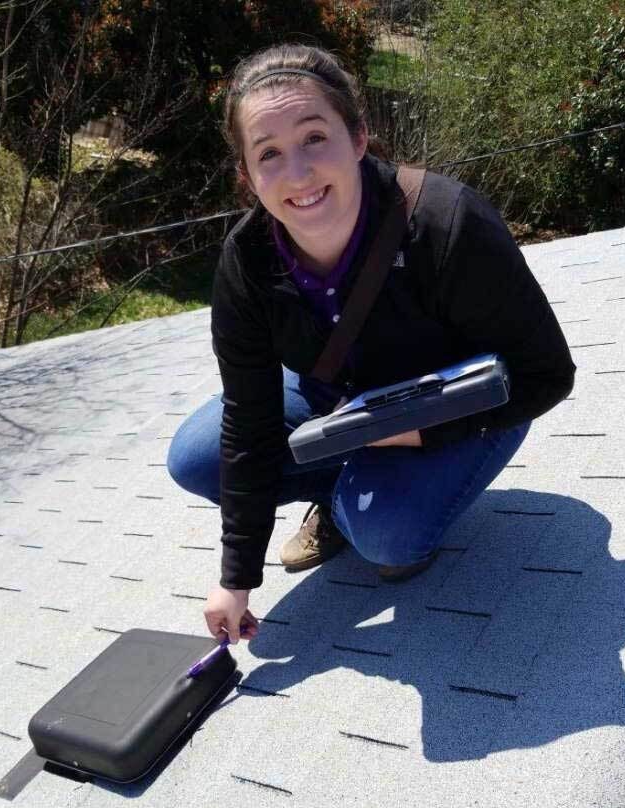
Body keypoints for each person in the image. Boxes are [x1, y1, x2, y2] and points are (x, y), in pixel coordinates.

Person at [166, 44, 576, 647]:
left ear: (358, 137)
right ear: (247, 175)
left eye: (314, 138)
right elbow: (249, 423)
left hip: (465, 404)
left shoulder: (446, 222)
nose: (298, 174)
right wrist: (236, 580)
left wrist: (416, 433)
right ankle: (340, 493)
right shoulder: (246, 264)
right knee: (197, 458)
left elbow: (546, 375)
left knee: (384, 535)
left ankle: (367, 501)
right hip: (341, 402)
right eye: (269, 154)